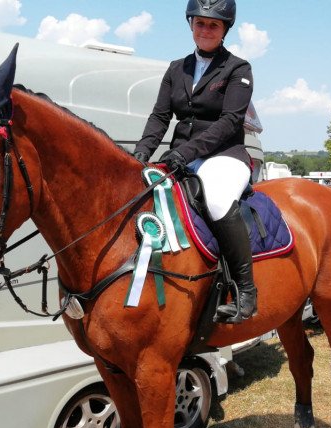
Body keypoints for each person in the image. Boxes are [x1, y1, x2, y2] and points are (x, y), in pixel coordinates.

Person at [133, 0, 256, 324]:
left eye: (213, 25)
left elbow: (230, 121)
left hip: (224, 155)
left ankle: (246, 292)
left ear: (224, 30)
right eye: (200, 23)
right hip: (181, 157)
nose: (205, 30)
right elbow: (160, 116)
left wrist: (184, 154)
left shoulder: (238, 69)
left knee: (215, 200)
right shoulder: (177, 68)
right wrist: (140, 155)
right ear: (190, 24)